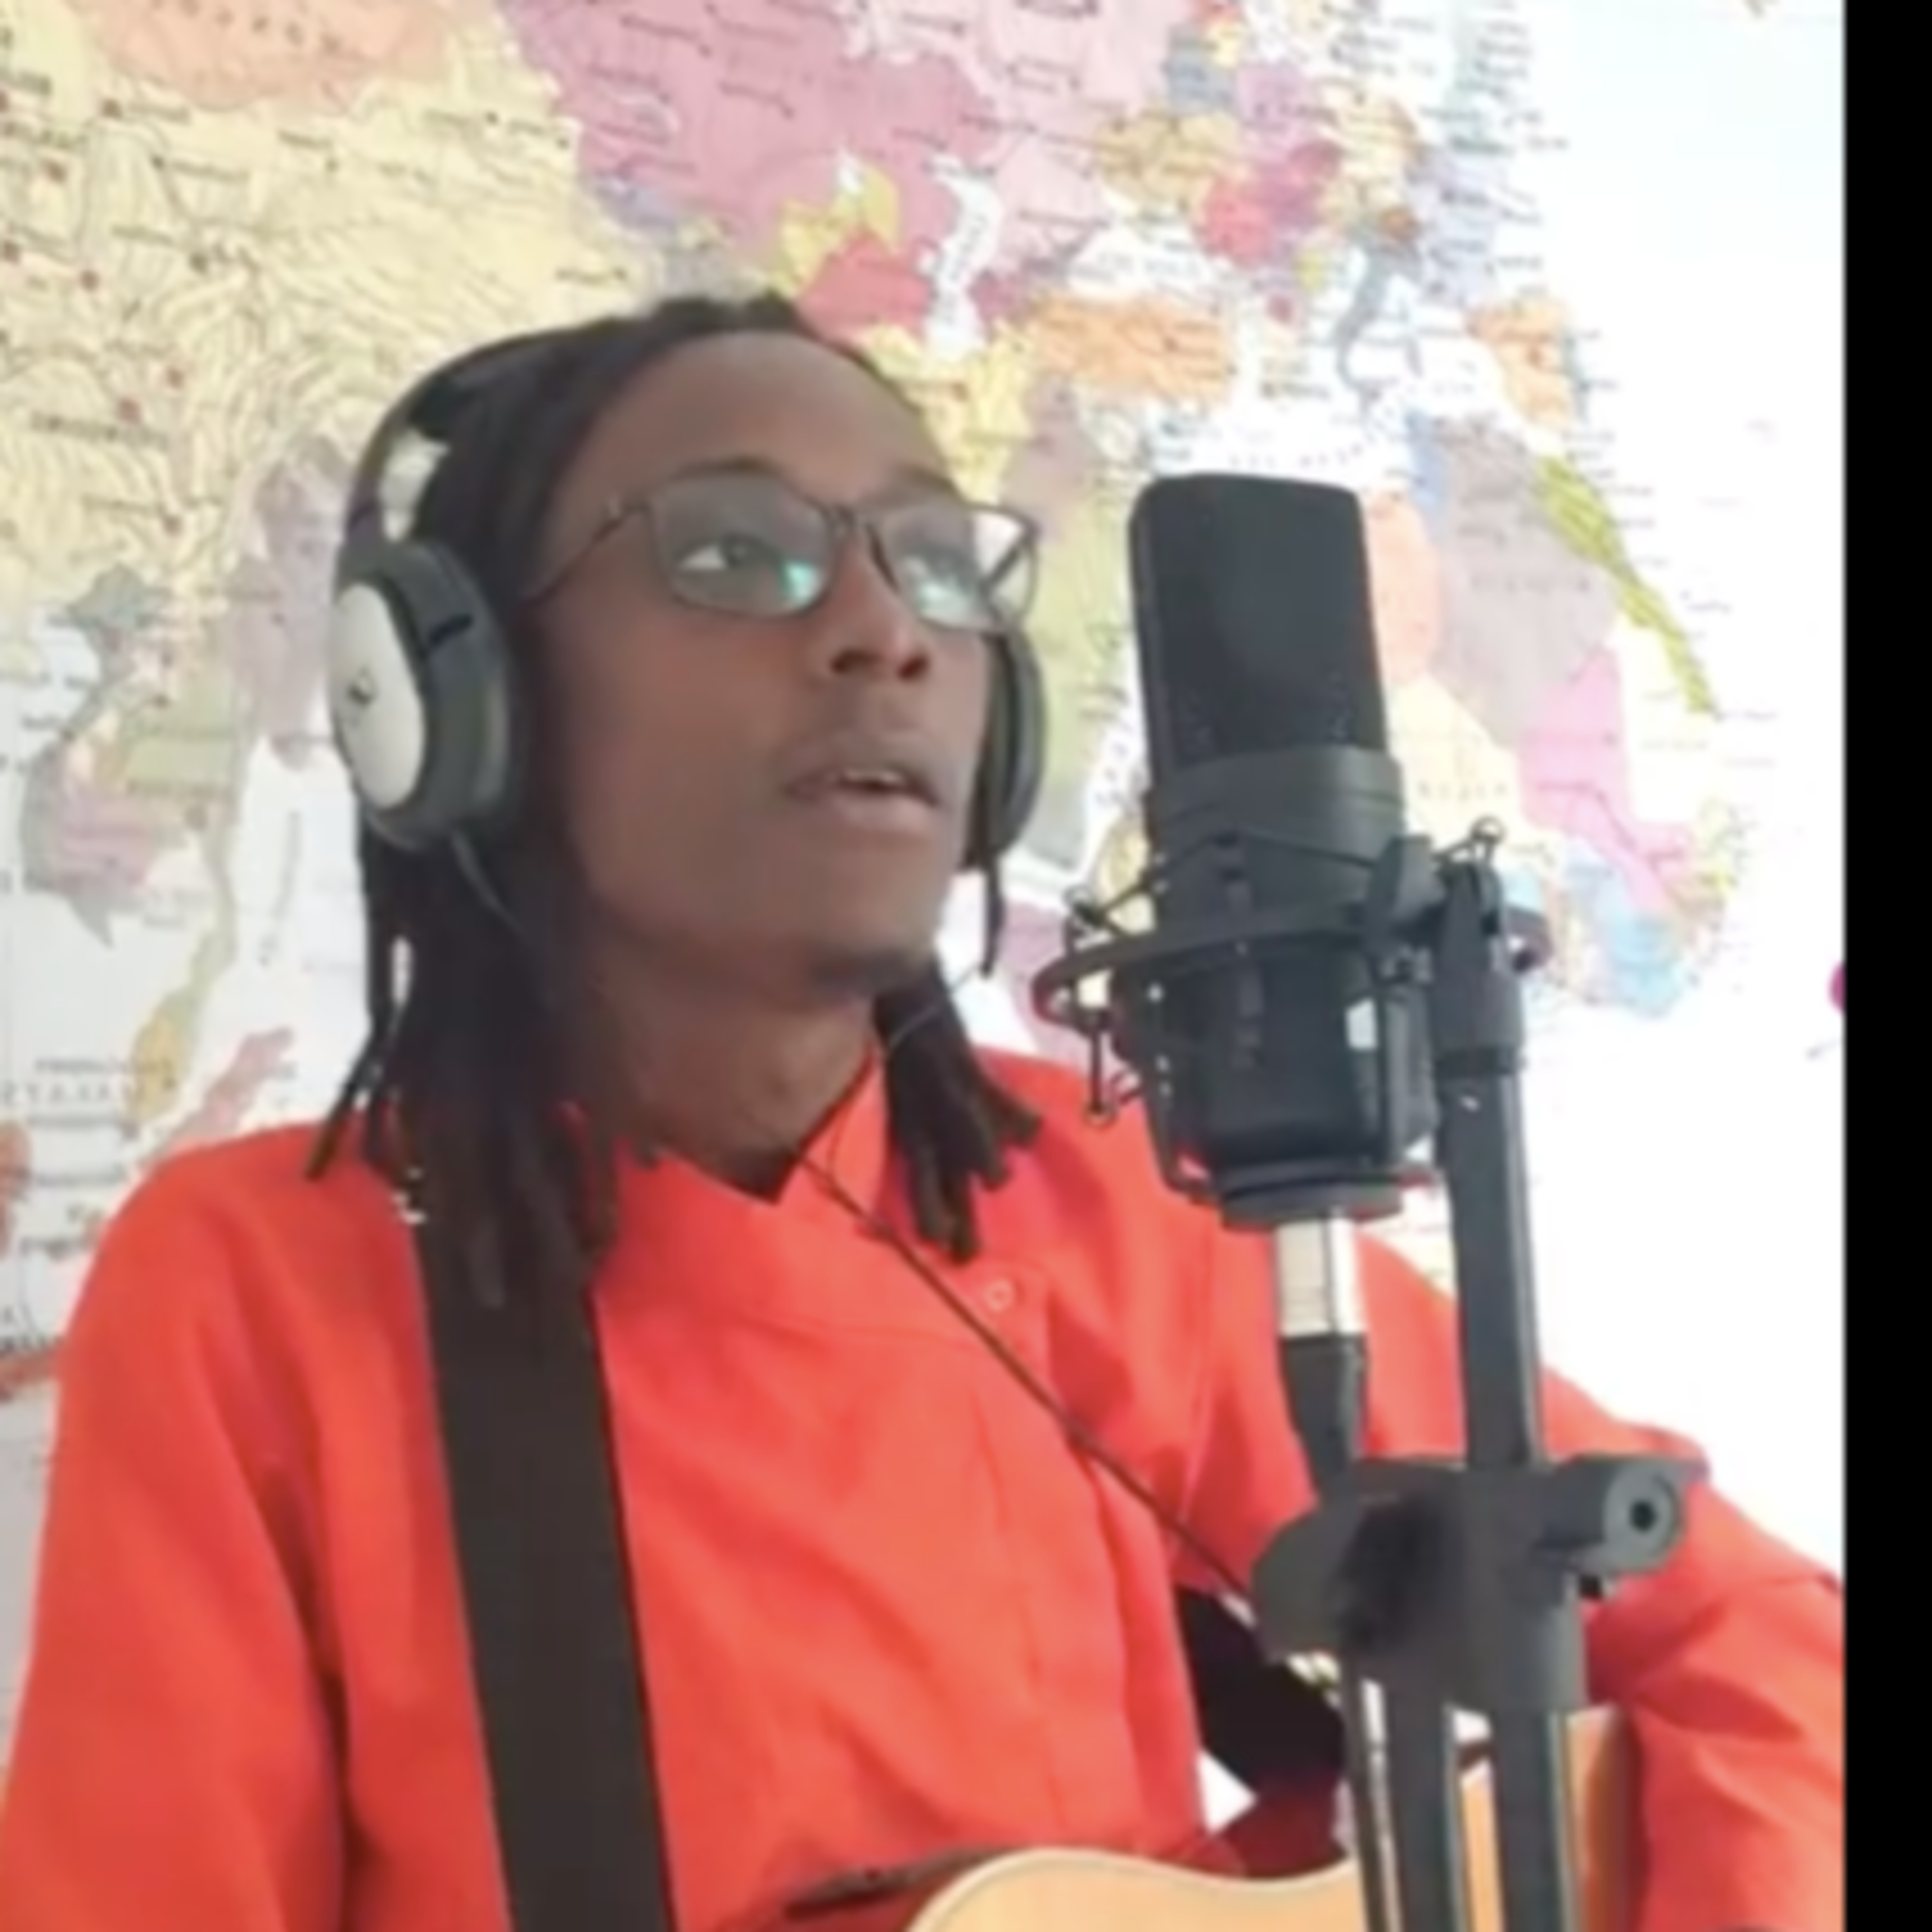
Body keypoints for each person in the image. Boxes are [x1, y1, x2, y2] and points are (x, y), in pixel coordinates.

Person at [0, 293, 1841, 1932]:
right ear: (461, 702)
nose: (884, 629)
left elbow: (1759, 1645)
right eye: (734, 554)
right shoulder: (257, 1290)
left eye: (940, 566)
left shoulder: (1115, 1206)